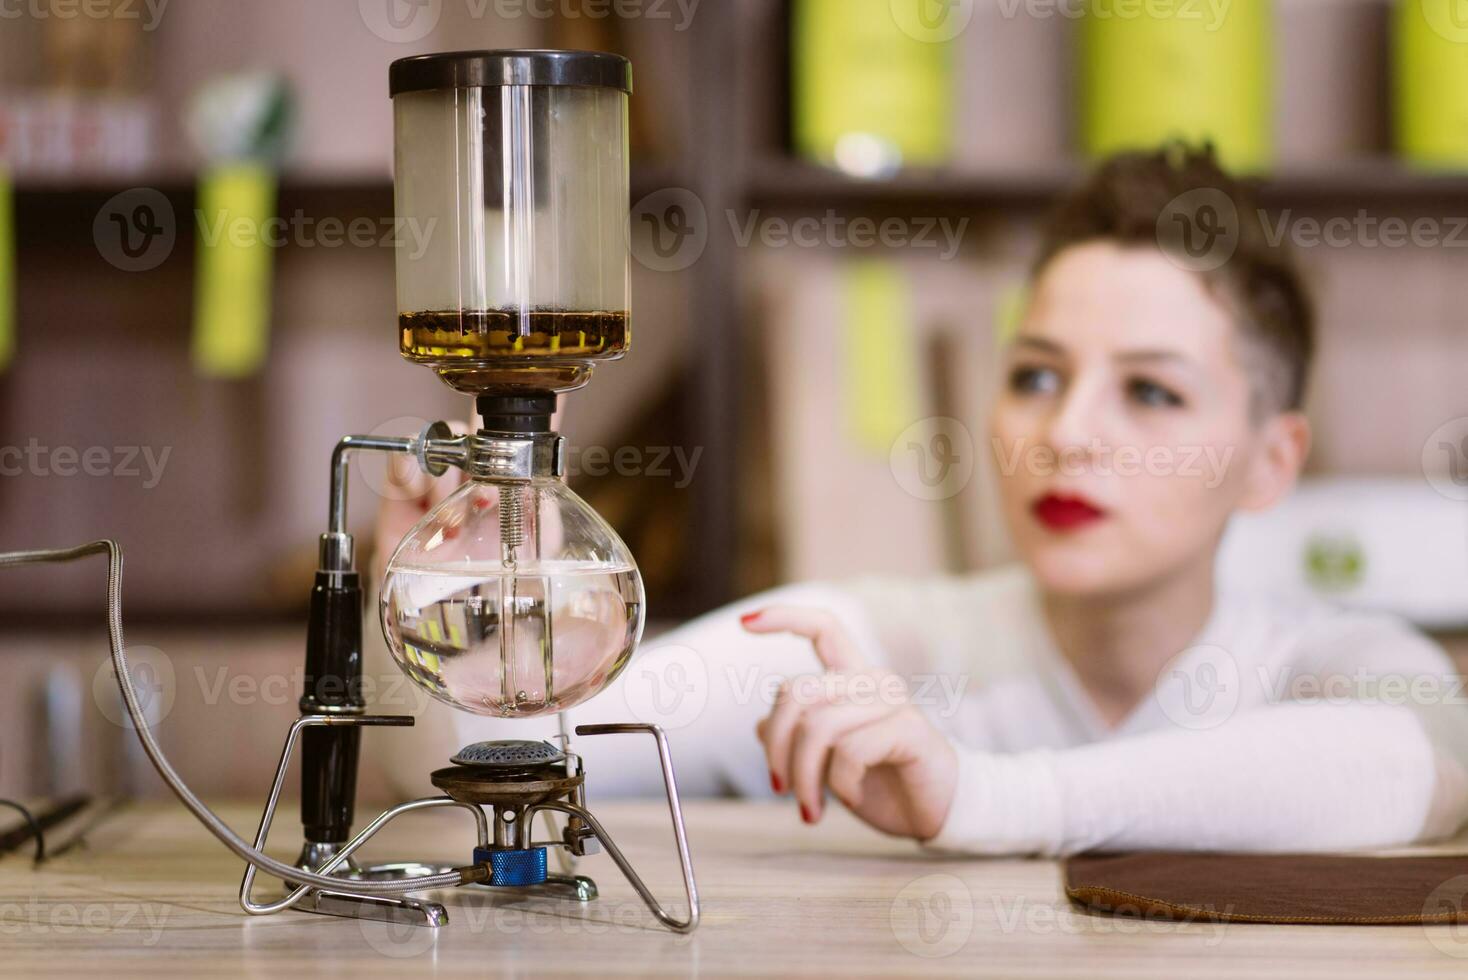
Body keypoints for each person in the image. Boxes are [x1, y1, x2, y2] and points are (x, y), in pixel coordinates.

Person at [366, 144, 1468, 856]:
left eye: (1150, 389)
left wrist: (977, 796)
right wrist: (406, 576)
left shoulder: (1330, 661)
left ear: (1272, 460)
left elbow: (1428, 768)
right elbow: (460, 765)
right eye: (1035, 372)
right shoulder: (863, 642)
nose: (1067, 430)